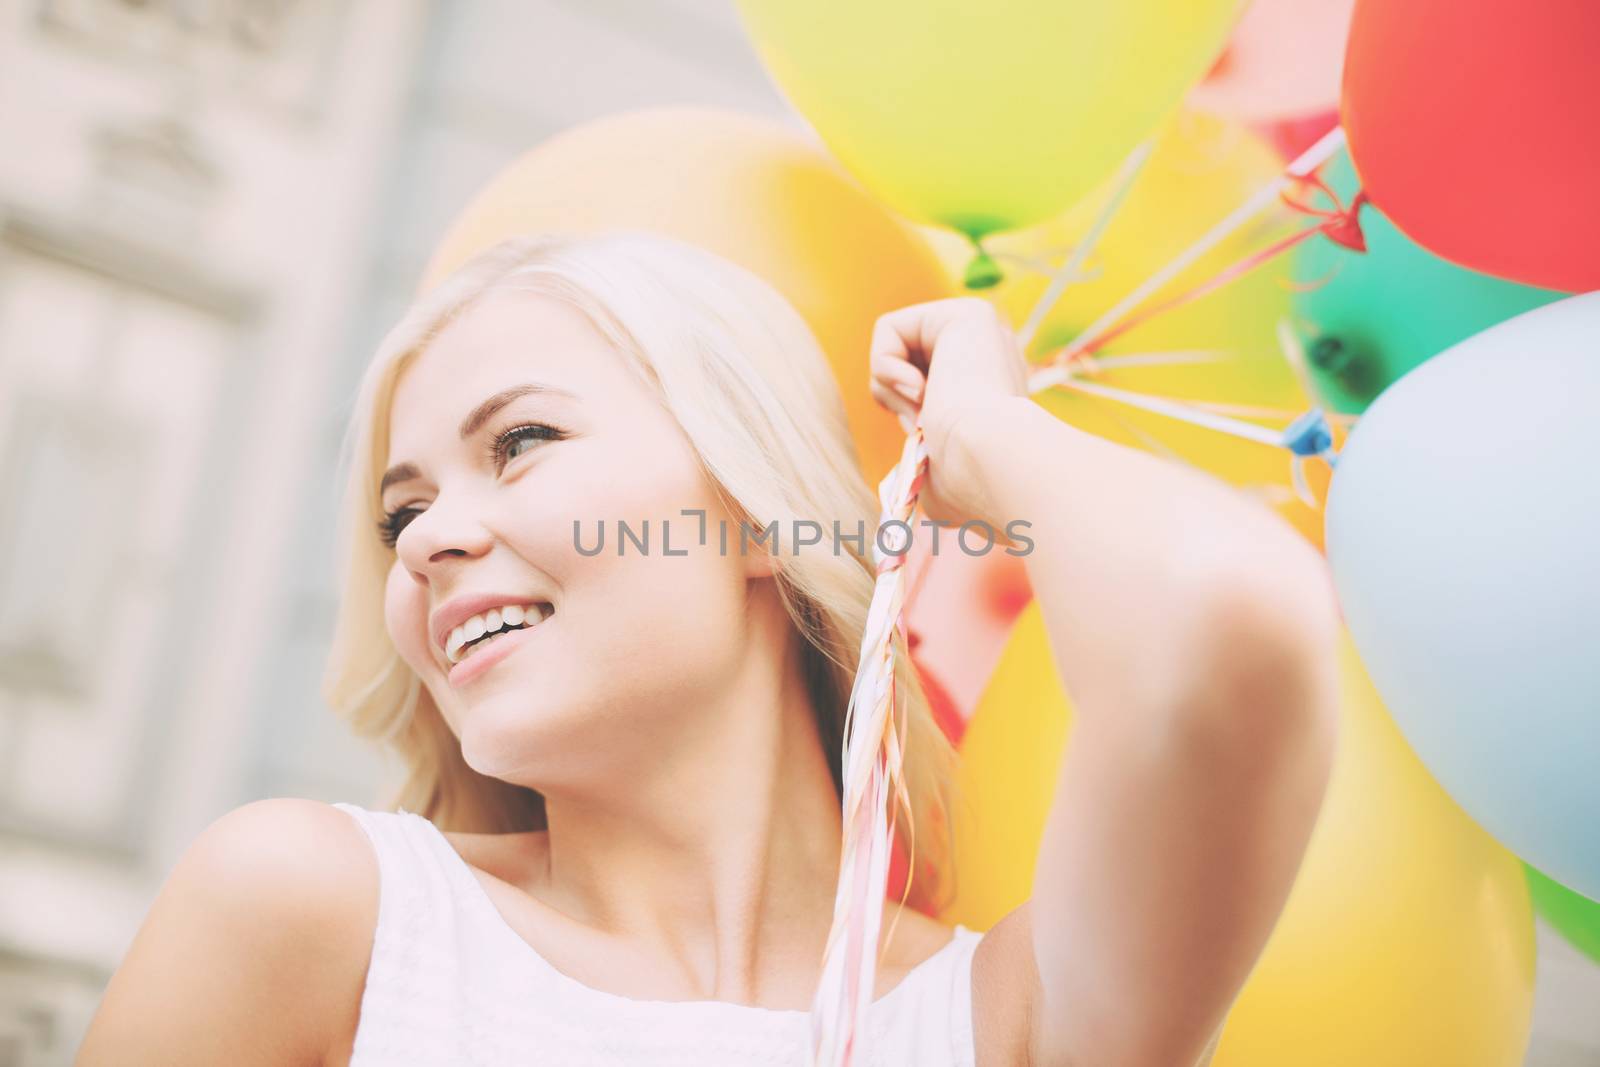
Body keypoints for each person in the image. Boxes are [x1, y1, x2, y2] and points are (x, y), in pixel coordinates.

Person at [76, 231, 1339, 1066]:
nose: (426, 543)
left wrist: (983, 433)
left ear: (753, 510)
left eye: (519, 442)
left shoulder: (1001, 1020)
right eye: (400, 512)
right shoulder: (324, 912)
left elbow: (1232, 622)